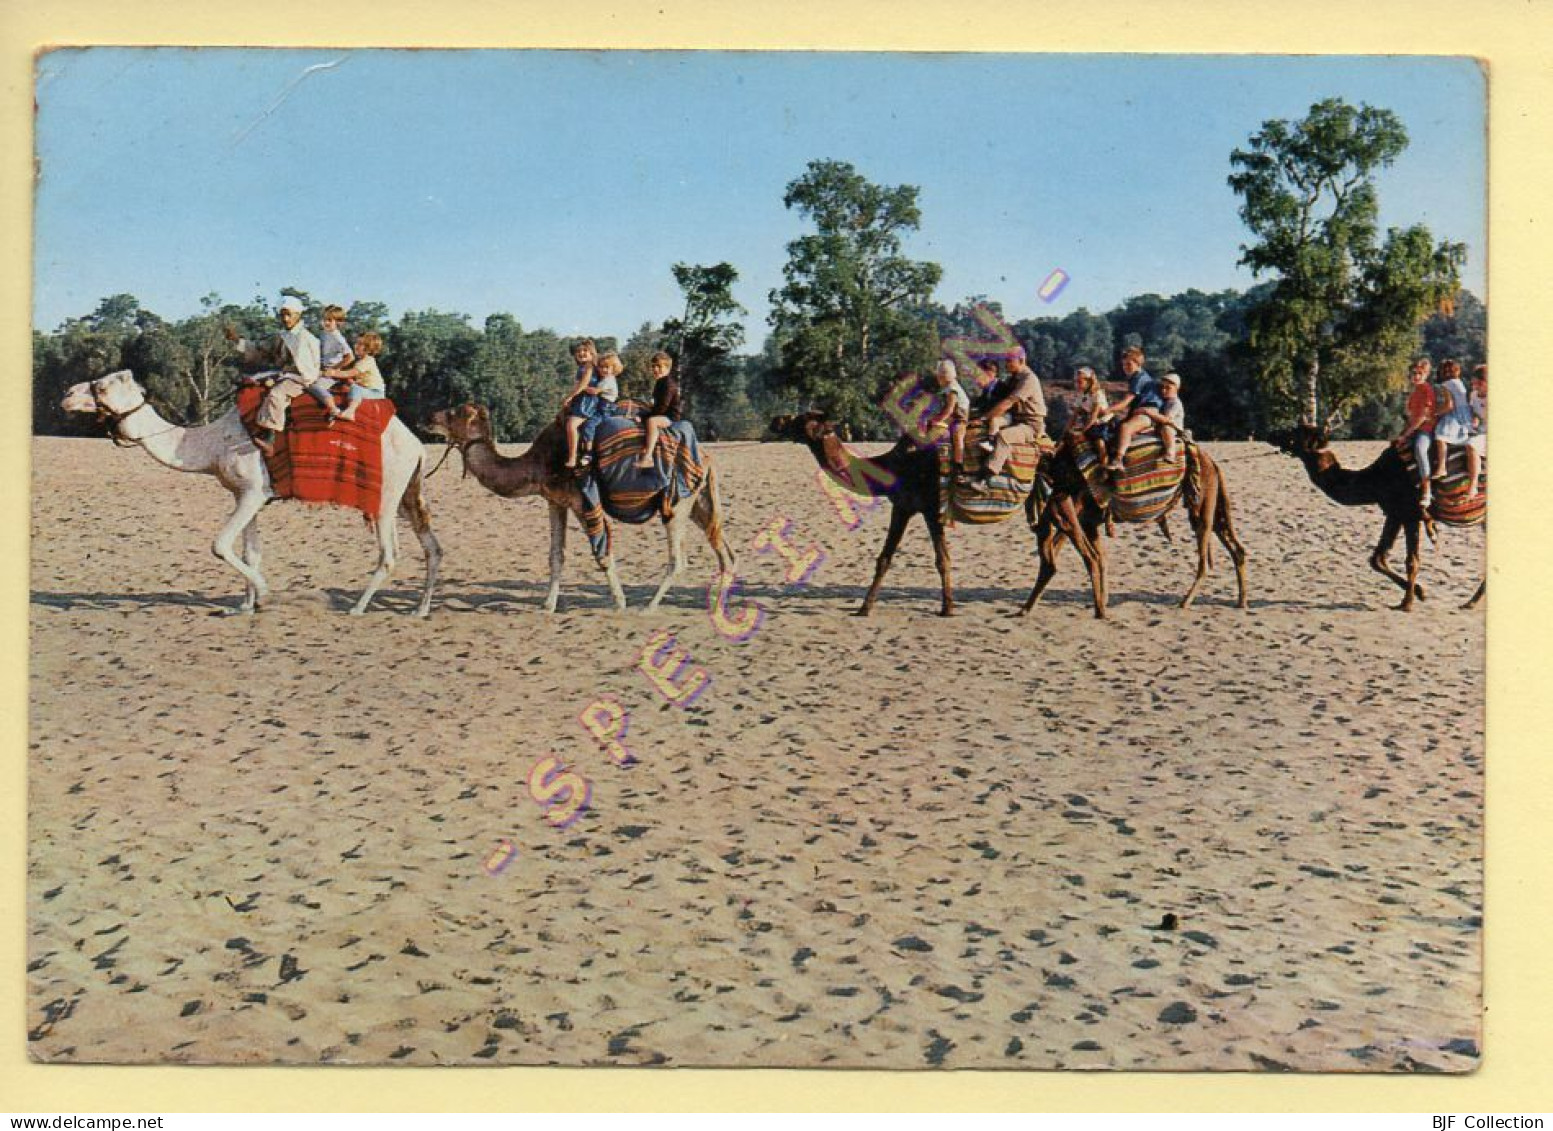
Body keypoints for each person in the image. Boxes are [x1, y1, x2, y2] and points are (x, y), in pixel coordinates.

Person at [224, 296, 331, 455]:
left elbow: (305, 369)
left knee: (276, 394)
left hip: (300, 377)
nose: (286, 319)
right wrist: (237, 340)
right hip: (284, 374)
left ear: (298, 315)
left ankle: (270, 438)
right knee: (250, 383)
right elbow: (260, 351)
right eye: (282, 315)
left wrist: (279, 377)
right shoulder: (282, 336)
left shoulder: (305, 338)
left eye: (289, 314)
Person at [972, 347, 1047, 479]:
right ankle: (988, 445)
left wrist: (984, 418)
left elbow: (1008, 402)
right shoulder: (1013, 379)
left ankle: (987, 474)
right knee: (992, 423)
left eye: (1009, 361)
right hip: (1015, 419)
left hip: (1030, 424)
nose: (1006, 364)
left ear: (1021, 360)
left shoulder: (1029, 379)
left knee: (1004, 436)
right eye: (1006, 361)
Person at [562, 341, 621, 470]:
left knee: (571, 425)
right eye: (578, 351)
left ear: (591, 353)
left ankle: (572, 457)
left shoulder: (589, 366)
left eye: (585, 351)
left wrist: (569, 397)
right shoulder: (584, 367)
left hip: (586, 403)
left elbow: (583, 385)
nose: (581, 353)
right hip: (582, 400)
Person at [1105, 346, 1165, 470]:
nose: (1125, 367)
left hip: (1148, 412)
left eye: (1128, 364)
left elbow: (1126, 402)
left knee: (1126, 427)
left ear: (1138, 363)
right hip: (1140, 410)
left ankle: (1118, 460)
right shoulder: (1135, 378)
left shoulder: (1139, 378)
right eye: (1123, 365)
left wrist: (1107, 410)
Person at [1392, 357, 1438, 508]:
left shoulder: (1426, 390)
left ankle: (1427, 489)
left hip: (1425, 430)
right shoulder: (1414, 393)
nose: (1416, 376)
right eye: (1414, 373)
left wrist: (1407, 434)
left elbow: (1422, 417)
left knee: (1420, 449)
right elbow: (1411, 418)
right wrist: (1402, 434)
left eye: (1420, 373)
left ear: (1426, 374)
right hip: (1413, 429)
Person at [1429, 359, 1472, 484]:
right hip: (1465, 415)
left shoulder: (1446, 384)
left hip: (1455, 415)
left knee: (1440, 435)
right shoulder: (1459, 382)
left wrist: (1435, 413)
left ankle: (1442, 467)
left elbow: (1449, 406)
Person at [635, 351, 681, 470]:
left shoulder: (668, 384)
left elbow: (663, 407)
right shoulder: (660, 383)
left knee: (652, 422)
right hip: (662, 413)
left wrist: (646, 416)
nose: (656, 369)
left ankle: (648, 457)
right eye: (653, 366)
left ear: (668, 368)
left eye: (659, 366)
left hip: (670, 416)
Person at [334, 331, 386, 422]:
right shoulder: (360, 361)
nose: (356, 346)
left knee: (355, 388)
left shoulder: (367, 361)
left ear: (369, 349)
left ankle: (350, 412)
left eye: (360, 344)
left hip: (375, 392)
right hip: (366, 388)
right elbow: (358, 379)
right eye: (356, 343)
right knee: (350, 387)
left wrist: (333, 373)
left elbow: (350, 373)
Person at [1067, 364, 1113, 464]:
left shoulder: (1097, 394)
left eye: (1080, 382)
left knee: (1099, 443)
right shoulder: (1082, 394)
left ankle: (1105, 466)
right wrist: (1067, 430)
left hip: (1102, 423)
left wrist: (1082, 432)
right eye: (1076, 382)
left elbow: (1093, 417)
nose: (1077, 384)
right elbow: (1074, 415)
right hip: (1090, 422)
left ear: (1089, 381)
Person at [1466, 364, 1487, 499]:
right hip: (1478, 430)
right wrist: (1474, 419)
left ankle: (1473, 485)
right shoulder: (1473, 395)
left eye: (1477, 382)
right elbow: (1473, 411)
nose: (1474, 385)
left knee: (1472, 445)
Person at [318, 304, 356, 377]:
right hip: (322, 368)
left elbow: (350, 357)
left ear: (338, 322)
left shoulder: (337, 338)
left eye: (329, 320)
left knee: (313, 387)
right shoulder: (324, 333)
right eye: (324, 319)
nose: (326, 322)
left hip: (331, 373)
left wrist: (333, 369)